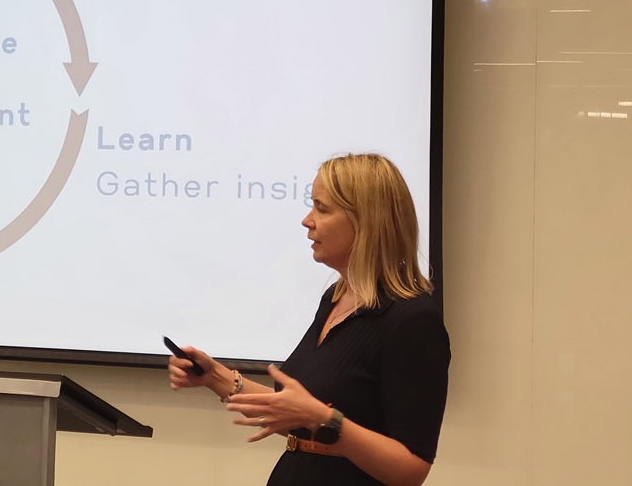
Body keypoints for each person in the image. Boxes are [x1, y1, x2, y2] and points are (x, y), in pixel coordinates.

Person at [167, 153, 450, 486]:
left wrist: (326, 420)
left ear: (366, 221)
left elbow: (411, 469)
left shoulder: (412, 320)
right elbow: (297, 414)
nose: (307, 220)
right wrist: (215, 376)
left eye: (322, 208)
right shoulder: (334, 298)